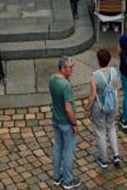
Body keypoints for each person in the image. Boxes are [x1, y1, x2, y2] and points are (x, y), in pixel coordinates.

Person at [49, 55, 80, 189]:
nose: (72, 70)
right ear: (63, 68)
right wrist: (74, 123)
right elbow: (68, 109)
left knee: (57, 148)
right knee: (68, 151)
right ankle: (68, 180)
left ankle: (56, 177)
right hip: (66, 123)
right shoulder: (65, 85)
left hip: (56, 120)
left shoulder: (52, 79)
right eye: (70, 68)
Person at [88, 48, 121, 169]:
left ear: (98, 60)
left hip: (100, 107)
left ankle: (104, 159)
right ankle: (116, 155)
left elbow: (92, 95)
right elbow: (117, 87)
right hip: (113, 104)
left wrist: (88, 108)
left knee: (100, 131)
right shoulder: (113, 71)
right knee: (111, 127)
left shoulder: (95, 76)